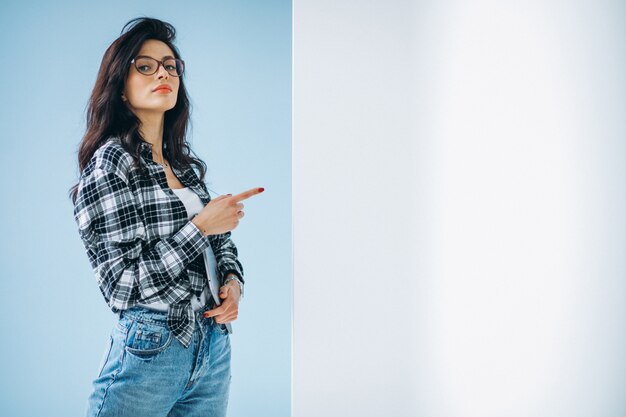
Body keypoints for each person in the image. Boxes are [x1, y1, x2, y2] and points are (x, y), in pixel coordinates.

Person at [69, 17, 263, 417]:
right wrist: (200, 226)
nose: (163, 73)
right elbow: (122, 288)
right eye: (146, 66)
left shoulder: (185, 166)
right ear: (120, 87)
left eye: (171, 66)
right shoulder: (111, 164)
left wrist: (232, 284)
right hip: (152, 346)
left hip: (212, 344)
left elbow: (220, 244)